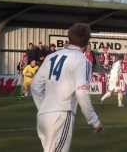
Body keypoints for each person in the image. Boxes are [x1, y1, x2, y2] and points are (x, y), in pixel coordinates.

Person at [31, 23, 103, 152]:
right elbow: (81, 93)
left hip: (43, 116)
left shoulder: (51, 57)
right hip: (62, 114)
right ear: (87, 42)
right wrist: (94, 120)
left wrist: (44, 107)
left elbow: (35, 86)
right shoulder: (82, 60)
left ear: (69, 38)